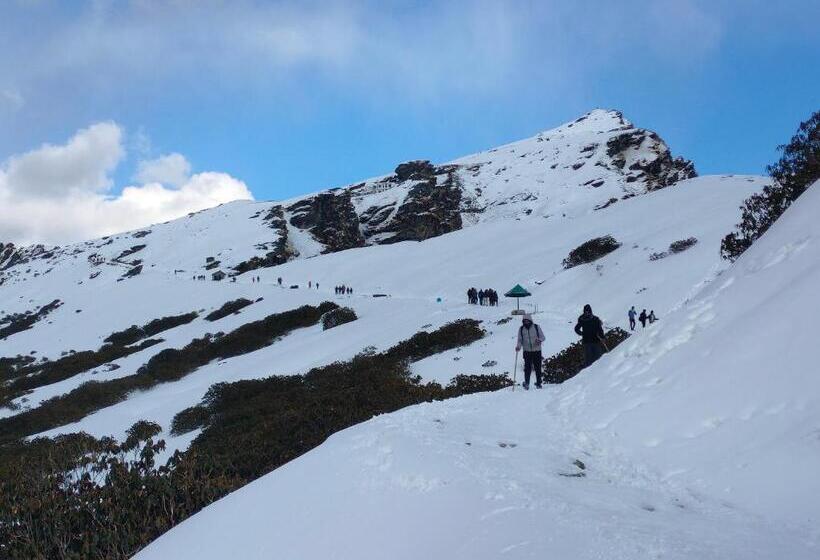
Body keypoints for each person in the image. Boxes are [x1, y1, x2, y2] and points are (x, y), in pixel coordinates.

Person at [515, 313, 545, 389]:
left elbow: (543, 337)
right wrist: (518, 346)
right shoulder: (521, 329)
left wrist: (539, 340)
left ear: (530, 320)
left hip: (537, 350)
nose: (526, 322)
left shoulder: (536, 327)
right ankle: (527, 383)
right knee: (527, 368)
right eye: (524, 321)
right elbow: (520, 340)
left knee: (538, 367)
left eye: (527, 321)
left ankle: (539, 383)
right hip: (527, 351)